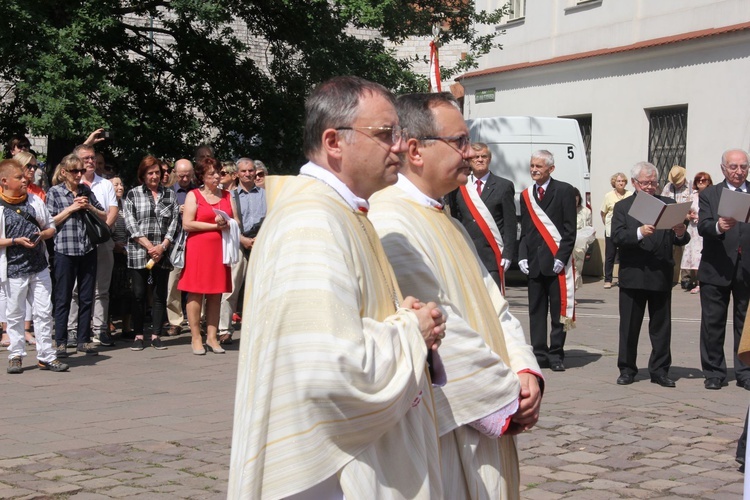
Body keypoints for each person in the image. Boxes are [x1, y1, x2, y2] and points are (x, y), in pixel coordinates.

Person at [228, 76, 446, 499]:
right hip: (335, 476)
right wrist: (411, 330)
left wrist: (402, 315)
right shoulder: (311, 220)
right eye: (386, 134)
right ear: (334, 142)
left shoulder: (345, 212)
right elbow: (327, 368)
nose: (399, 146)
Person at [370, 92, 542, 499]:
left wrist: (524, 371)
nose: (470, 152)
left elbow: (497, 307)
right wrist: (506, 396)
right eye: (459, 141)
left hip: (491, 399)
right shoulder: (390, 220)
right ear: (415, 150)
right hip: (450, 421)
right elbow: (442, 329)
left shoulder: (447, 220)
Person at [612, 162, 689, 387]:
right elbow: (617, 237)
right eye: (645, 182)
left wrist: (681, 231)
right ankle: (627, 369)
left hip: (660, 273)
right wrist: (639, 232)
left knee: (661, 327)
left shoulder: (668, 204)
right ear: (635, 183)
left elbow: (680, 240)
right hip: (633, 273)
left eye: (653, 182)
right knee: (629, 326)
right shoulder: (623, 206)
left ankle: (660, 370)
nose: (650, 187)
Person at [0, 159, 68, 374]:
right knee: (15, 313)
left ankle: (47, 355)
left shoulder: (34, 200)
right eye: (18, 177)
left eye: (24, 176)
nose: (24, 180)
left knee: (44, 312)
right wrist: (14, 241)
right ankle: (16, 355)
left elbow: (50, 227)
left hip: (39, 266)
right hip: (14, 269)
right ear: (4, 181)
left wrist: (42, 235)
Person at [518, 150, 577, 372]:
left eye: (539, 166)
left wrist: (562, 257)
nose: (534, 169)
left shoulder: (564, 191)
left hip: (556, 262)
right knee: (536, 311)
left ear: (550, 169)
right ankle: (539, 353)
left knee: (558, 311)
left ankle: (556, 354)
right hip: (534, 262)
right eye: (532, 165)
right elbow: (525, 230)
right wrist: (522, 255)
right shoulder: (526, 195)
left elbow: (570, 230)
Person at [698, 149, 750, 391]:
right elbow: (703, 226)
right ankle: (714, 372)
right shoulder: (710, 193)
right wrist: (719, 225)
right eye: (733, 167)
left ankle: (745, 371)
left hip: (746, 268)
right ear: (723, 169)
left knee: (745, 324)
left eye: (743, 166)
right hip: (716, 267)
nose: (739, 171)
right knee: (713, 323)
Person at [46, 154, 107, 358]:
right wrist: (71, 208)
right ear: (64, 172)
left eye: (81, 171)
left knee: (86, 297)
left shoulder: (86, 191)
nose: (79, 175)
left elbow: (104, 214)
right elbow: (49, 221)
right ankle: (61, 342)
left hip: (87, 249)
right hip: (65, 250)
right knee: (63, 298)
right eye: (75, 171)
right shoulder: (55, 192)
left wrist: (88, 205)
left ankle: (84, 340)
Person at [178, 157, 236, 355]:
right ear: (202, 176)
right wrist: (214, 226)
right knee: (195, 292)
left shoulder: (228, 196)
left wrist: (228, 224)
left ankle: (212, 337)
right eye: (211, 173)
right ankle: (196, 337)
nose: (216, 177)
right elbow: (188, 224)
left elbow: (235, 221)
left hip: (220, 249)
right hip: (198, 249)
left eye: (218, 172)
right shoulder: (194, 195)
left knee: (216, 293)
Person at [123, 156, 180, 351]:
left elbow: (174, 223)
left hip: (162, 252)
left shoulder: (169, 195)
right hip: (139, 251)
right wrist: (149, 247)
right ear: (143, 175)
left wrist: (162, 247)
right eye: (150, 173)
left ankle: (156, 334)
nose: (154, 176)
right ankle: (139, 334)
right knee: (138, 294)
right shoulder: (133, 194)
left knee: (159, 294)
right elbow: (130, 223)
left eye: (157, 172)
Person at [446, 141, 516, 290]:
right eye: (476, 157)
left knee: (493, 306)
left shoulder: (504, 186)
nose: (480, 160)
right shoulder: (459, 186)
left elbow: (510, 224)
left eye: (484, 156)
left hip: (492, 256)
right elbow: (456, 218)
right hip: (467, 254)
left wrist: (508, 253)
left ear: (489, 159)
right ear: (470, 161)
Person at [68, 144, 119, 347]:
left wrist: (101, 232)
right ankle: (73, 330)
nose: (90, 161)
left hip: (101, 241)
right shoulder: (70, 183)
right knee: (74, 288)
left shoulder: (104, 184)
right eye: (86, 158)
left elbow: (112, 210)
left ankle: (100, 329)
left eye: (92, 158)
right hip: (76, 243)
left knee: (101, 288)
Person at [218, 158, 265, 344]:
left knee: (259, 289)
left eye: (251, 170)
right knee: (231, 287)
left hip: (260, 243)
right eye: (244, 171)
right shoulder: (230, 196)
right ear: (237, 174)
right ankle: (224, 329)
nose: (248, 174)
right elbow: (227, 223)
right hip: (238, 242)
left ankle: (258, 328)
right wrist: (243, 240)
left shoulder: (265, 194)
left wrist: (258, 240)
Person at [165, 159, 195, 336]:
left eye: (188, 175)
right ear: (175, 173)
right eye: (181, 175)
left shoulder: (198, 191)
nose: (184, 179)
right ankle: (175, 321)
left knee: (196, 284)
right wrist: (177, 210)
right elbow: (161, 215)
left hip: (195, 242)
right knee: (173, 284)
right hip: (175, 243)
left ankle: (196, 319)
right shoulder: (168, 193)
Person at [108, 176, 132, 337]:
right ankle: (106, 323)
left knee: (128, 291)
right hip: (110, 252)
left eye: (121, 183)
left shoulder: (127, 204)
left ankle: (127, 326)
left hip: (127, 252)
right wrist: (113, 244)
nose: (120, 187)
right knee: (109, 291)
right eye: (115, 184)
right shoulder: (106, 205)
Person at [682, 172, 713, 294]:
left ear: (708, 182)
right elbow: (684, 211)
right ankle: (697, 282)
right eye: (698, 180)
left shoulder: (711, 195)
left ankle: (702, 283)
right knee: (693, 256)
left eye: (704, 180)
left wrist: (701, 217)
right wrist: (689, 216)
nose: (701, 182)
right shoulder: (692, 195)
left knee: (701, 255)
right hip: (693, 229)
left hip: (704, 228)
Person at [661, 165, 692, 288]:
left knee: (687, 251)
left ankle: (686, 278)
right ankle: (667, 275)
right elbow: (663, 202)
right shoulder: (668, 187)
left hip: (686, 222)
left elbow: (692, 203)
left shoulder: (690, 186)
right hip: (670, 220)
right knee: (669, 249)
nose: (677, 184)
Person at [600, 172, 632, 288]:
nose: (621, 183)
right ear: (614, 182)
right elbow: (603, 213)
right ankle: (608, 279)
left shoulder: (630, 194)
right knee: (610, 255)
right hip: (611, 229)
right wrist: (608, 225)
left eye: (623, 181)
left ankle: (622, 278)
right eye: (618, 181)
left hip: (626, 229)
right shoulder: (608, 196)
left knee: (625, 254)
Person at [573, 188, 595, 291]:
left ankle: (574, 291)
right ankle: (568, 293)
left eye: (576, 200)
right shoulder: (562, 209)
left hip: (580, 245)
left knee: (578, 268)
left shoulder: (585, 211)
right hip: (568, 243)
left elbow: (589, 227)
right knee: (569, 268)